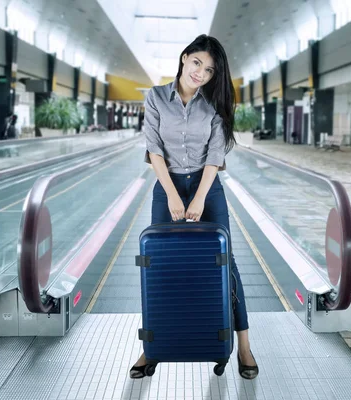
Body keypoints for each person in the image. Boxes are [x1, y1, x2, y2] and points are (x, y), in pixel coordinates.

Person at [130, 34, 259, 380]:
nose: (200, 72)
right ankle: (152, 346)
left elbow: (215, 154)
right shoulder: (156, 97)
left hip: (207, 187)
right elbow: (154, 148)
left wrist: (200, 197)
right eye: (197, 63)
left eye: (209, 69)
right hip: (167, 186)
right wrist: (172, 194)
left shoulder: (213, 103)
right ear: (185, 58)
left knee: (225, 263)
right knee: (160, 265)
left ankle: (244, 345)